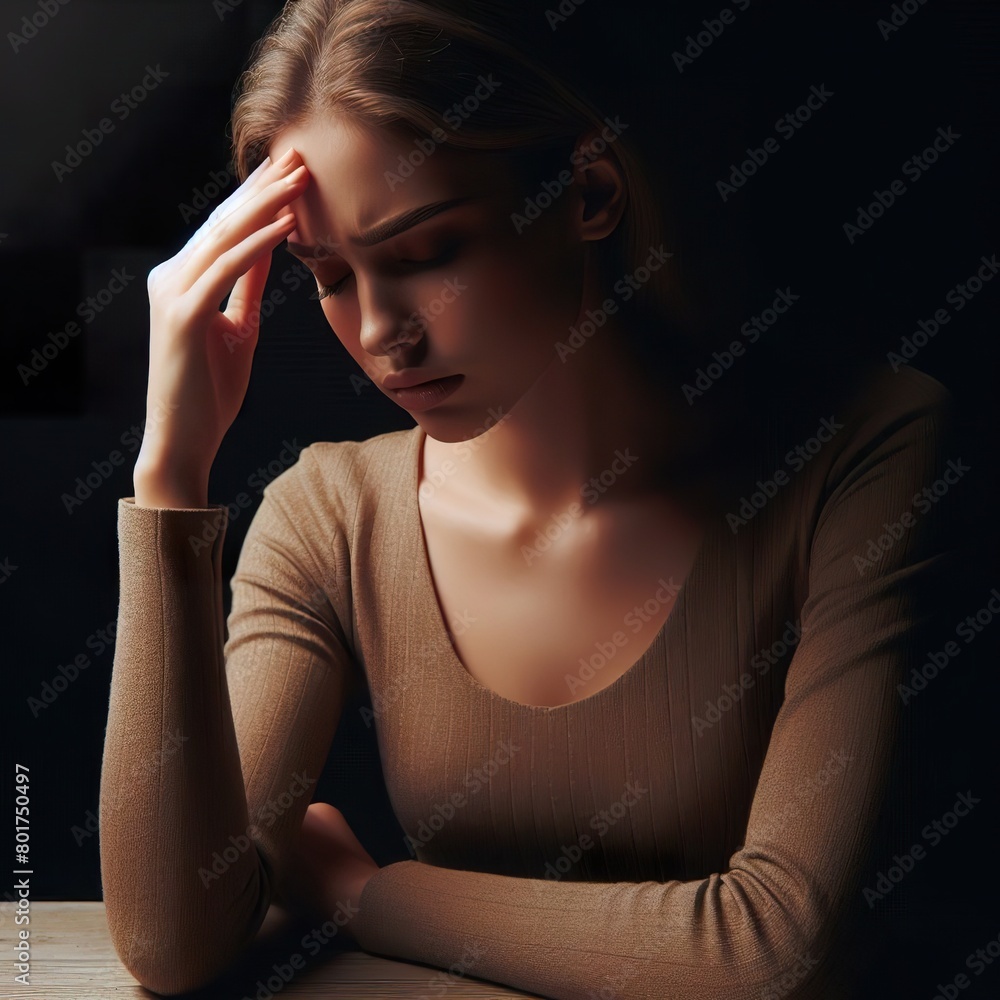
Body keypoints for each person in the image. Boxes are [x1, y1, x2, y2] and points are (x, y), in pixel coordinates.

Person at [99, 1, 957, 997]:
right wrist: (169, 477)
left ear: (587, 190)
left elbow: (779, 953)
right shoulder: (334, 515)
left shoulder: (863, 451)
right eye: (327, 273)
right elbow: (169, 938)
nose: (382, 333)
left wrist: (365, 893)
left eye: (424, 254)